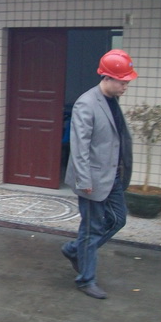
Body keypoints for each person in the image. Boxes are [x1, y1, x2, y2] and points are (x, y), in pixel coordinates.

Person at [61, 49, 137, 299]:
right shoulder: (87, 103)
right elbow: (79, 146)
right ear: (107, 77)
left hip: (112, 175)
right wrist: (84, 180)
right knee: (91, 229)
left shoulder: (111, 101)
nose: (125, 86)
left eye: (127, 82)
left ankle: (75, 249)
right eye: (122, 82)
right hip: (92, 179)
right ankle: (86, 280)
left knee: (118, 220)